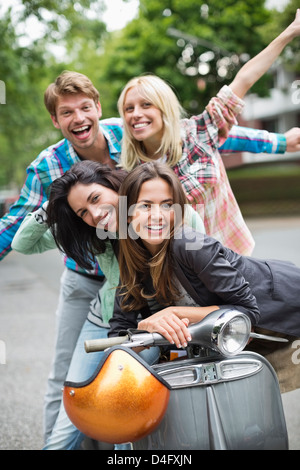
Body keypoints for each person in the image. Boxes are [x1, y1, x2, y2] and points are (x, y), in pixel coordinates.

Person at [3, 70, 296, 444]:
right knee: (74, 381)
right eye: (66, 112)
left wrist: (278, 143)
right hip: (91, 285)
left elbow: (206, 132)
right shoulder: (69, 194)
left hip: (197, 282)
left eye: (85, 108)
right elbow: (22, 237)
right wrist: (58, 198)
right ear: (55, 119)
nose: (78, 118)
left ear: (98, 108)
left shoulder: (131, 152)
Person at [12, 160, 203, 449]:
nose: (95, 214)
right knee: (75, 410)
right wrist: (50, 206)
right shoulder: (94, 229)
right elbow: (22, 245)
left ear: (114, 184)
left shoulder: (171, 215)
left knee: (122, 412)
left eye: (96, 198)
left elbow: (204, 271)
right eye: (83, 212)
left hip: (152, 327)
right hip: (103, 322)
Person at [117, 9, 300, 257]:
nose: (135, 114)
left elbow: (244, 80)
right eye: (129, 109)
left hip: (230, 254)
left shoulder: (197, 133)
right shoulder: (130, 170)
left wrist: (291, 31)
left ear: (164, 109)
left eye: (146, 104)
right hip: (181, 270)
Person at [109, 161, 300, 393]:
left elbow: (248, 311)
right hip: (238, 333)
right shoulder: (133, 260)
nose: (157, 216)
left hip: (284, 308)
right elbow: (118, 335)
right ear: (127, 214)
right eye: (145, 206)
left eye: (167, 205)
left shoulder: (190, 244)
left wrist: (173, 313)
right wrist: (144, 328)